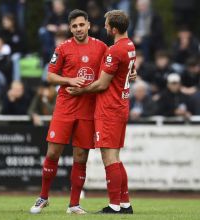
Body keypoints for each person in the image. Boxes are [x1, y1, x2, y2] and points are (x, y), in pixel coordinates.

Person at [30, 9, 108, 214]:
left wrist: (131, 72)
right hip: (65, 107)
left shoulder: (101, 47)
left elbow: (112, 68)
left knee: (80, 156)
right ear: (70, 28)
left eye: (81, 25)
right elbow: (50, 76)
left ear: (89, 25)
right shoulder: (63, 48)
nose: (78, 29)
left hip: (88, 109)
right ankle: (43, 197)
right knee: (53, 152)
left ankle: (74, 204)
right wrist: (70, 80)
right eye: (74, 26)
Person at [66, 9, 135, 214]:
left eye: (106, 25)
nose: (104, 27)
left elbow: (102, 84)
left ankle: (114, 205)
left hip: (109, 108)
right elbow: (127, 72)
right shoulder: (130, 45)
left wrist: (81, 90)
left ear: (113, 29)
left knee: (110, 158)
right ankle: (125, 203)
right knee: (116, 157)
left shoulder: (115, 50)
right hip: (120, 106)